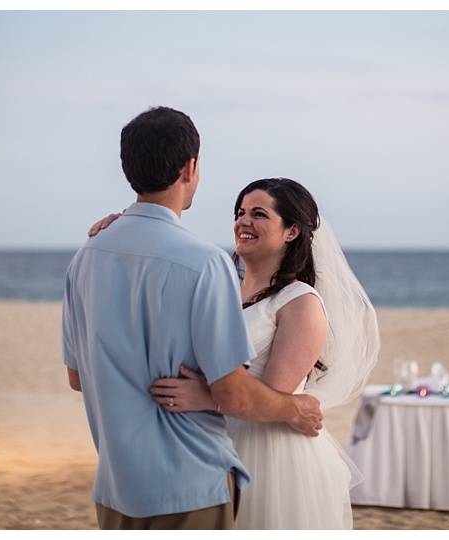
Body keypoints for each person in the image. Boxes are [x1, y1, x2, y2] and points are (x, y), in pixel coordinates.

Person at [62, 106, 323, 530]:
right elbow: (235, 395)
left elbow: (77, 378)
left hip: (116, 485)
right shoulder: (205, 264)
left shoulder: (86, 256)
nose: (244, 220)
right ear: (190, 167)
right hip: (190, 484)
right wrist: (295, 408)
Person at [147, 178, 380, 528]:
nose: (244, 221)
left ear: (291, 231)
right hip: (213, 443)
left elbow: (277, 396)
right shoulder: (223, 289)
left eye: (259, 214)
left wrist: (206, 397)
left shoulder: (299, 302)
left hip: (270, 454)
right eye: (240, 212)